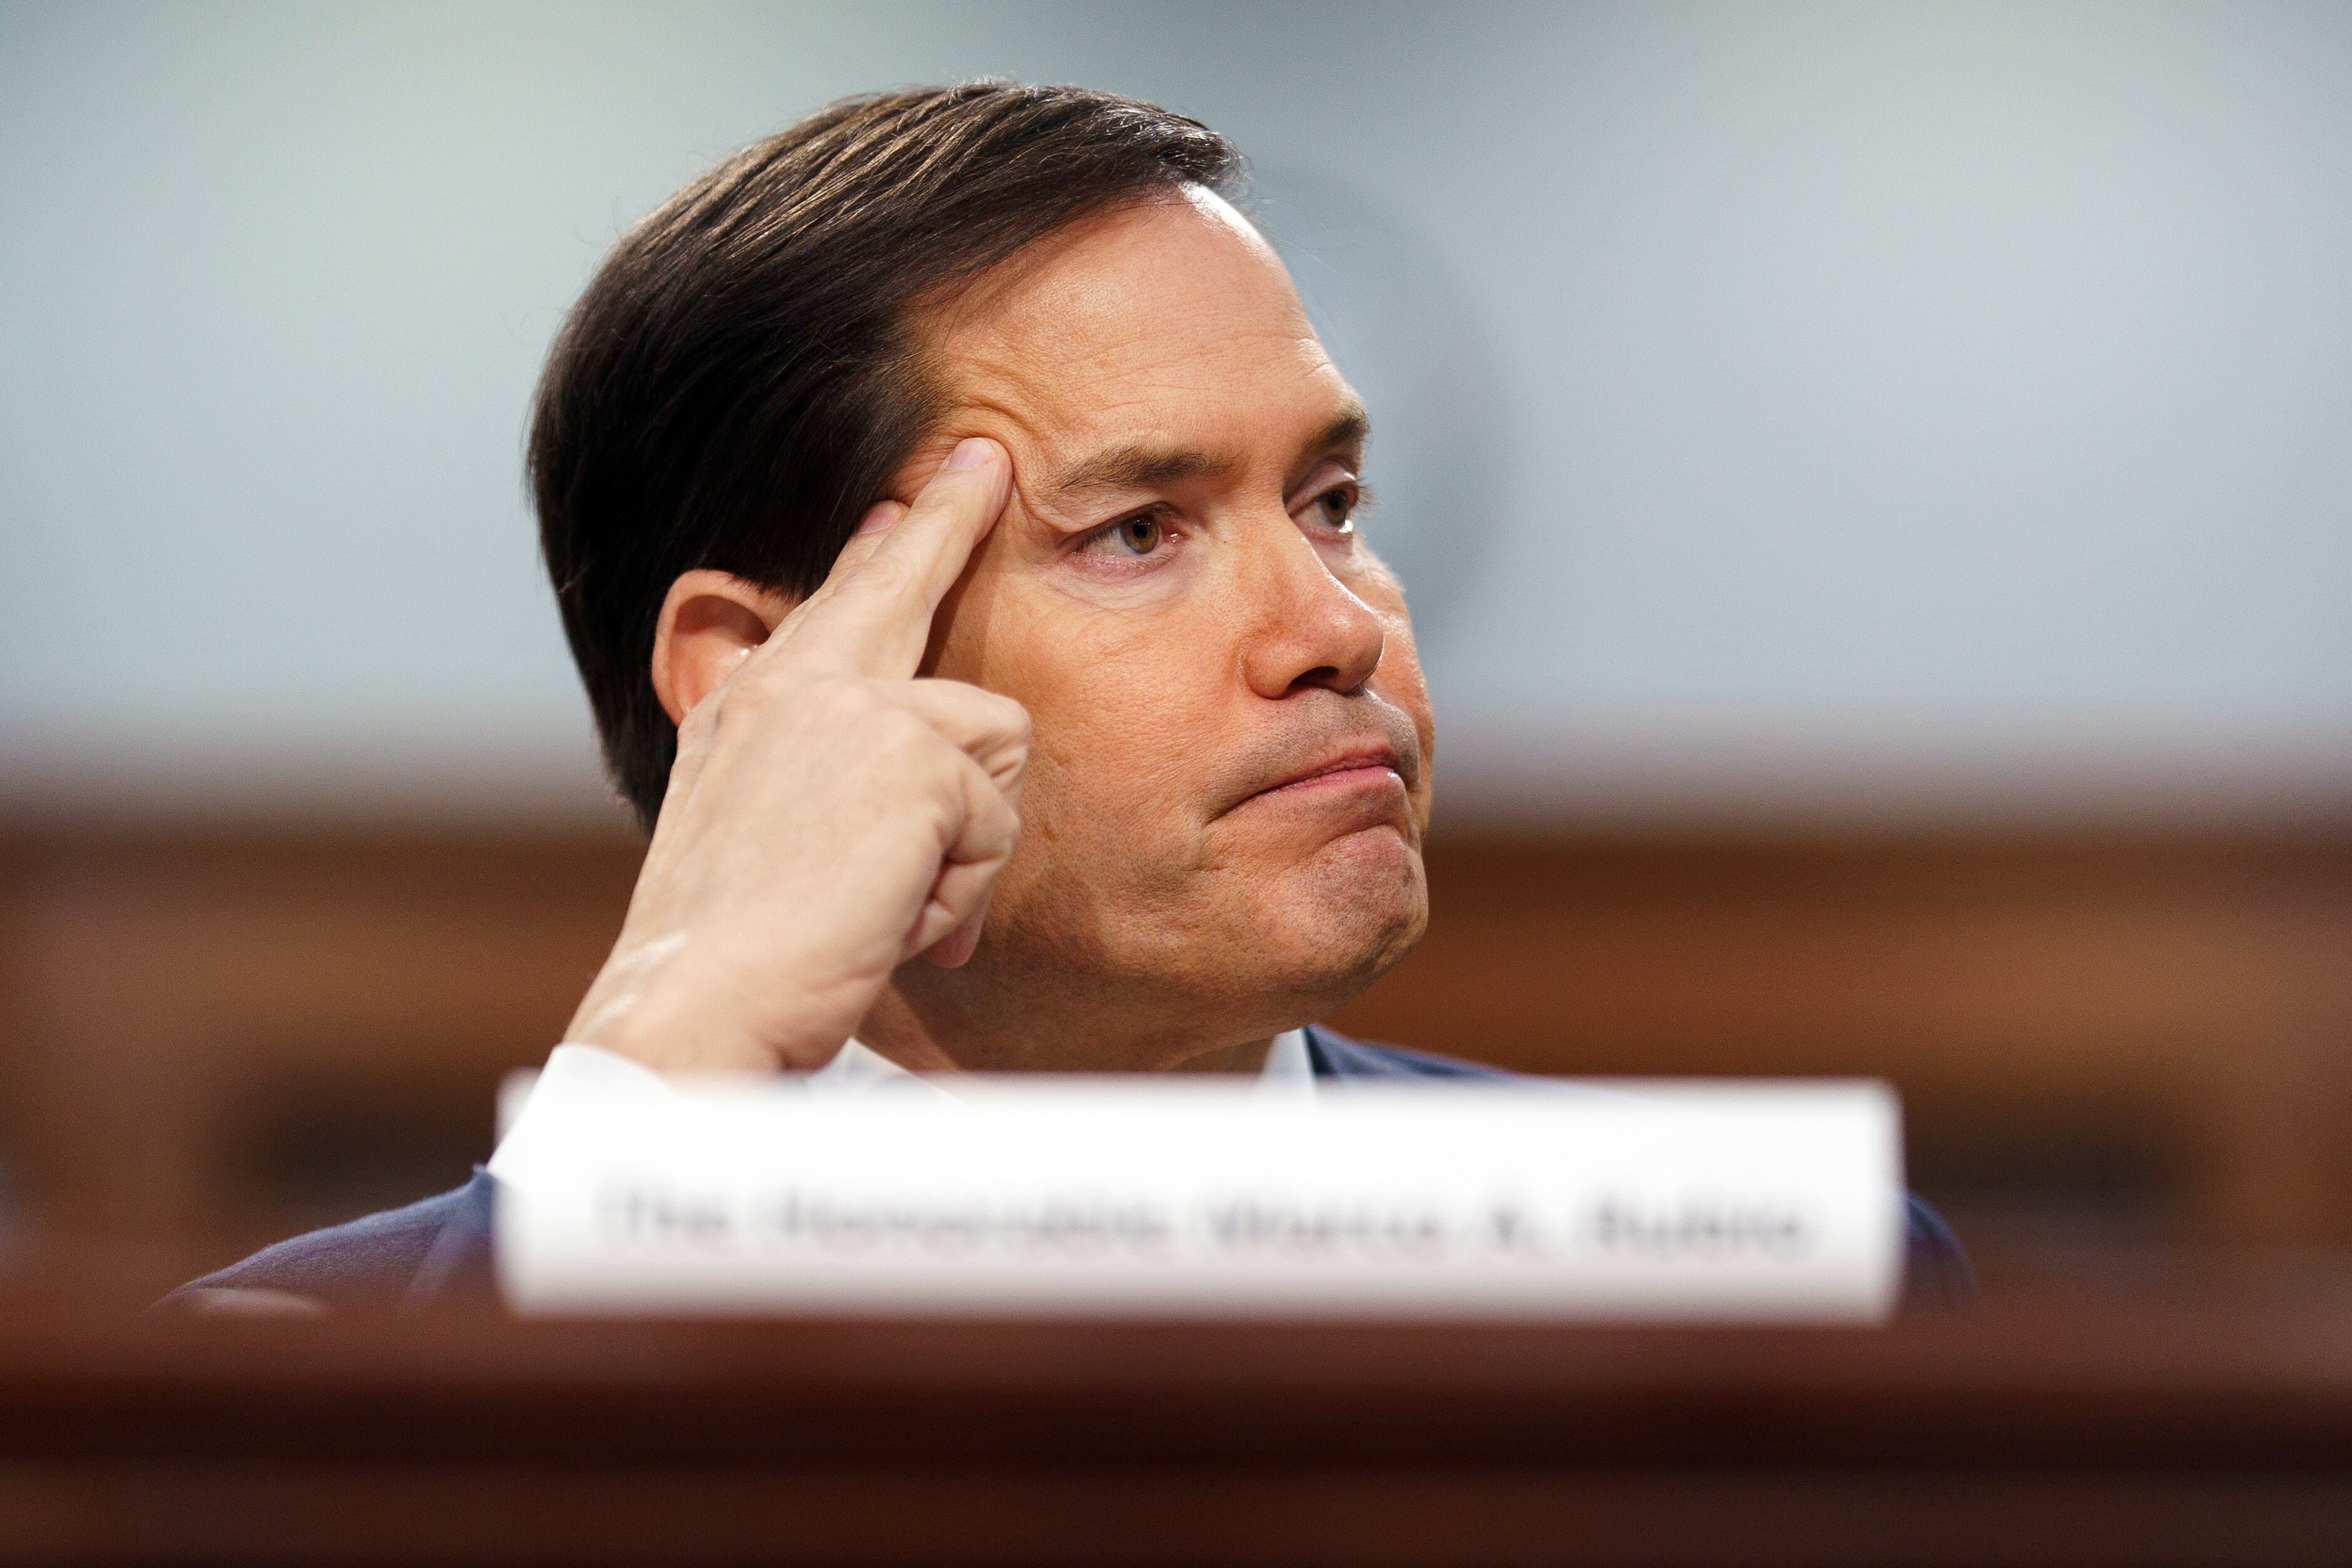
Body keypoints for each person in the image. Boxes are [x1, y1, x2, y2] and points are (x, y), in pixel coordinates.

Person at [170, 81, 1972, 1313]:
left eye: (1333, 502)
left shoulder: (1783, 1290)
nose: (1332, 623)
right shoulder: (282, 1375)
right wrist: (660, 1081)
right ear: (759, 687)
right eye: (1134, 530)